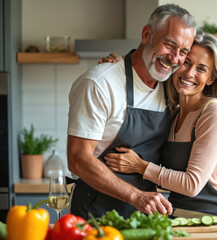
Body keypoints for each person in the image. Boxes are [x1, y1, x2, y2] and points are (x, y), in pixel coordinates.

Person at [67, 3, 196, 220]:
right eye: (169, 45)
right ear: (147, 34)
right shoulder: (100, 83)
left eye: (183, 52)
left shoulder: (171, 88)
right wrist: (136, 196)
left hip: (146, 217)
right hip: (96, 217)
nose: (174, 59)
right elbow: (78, 158)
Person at [101, 32, 217, 221]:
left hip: (216, 220)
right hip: (179, 218)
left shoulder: (214, 114)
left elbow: (192, 184)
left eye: (201, 69)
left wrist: (140, 166)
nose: (189, 73)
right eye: (187, 62)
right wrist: (117, 69)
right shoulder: (173, 113)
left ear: (211, 79)